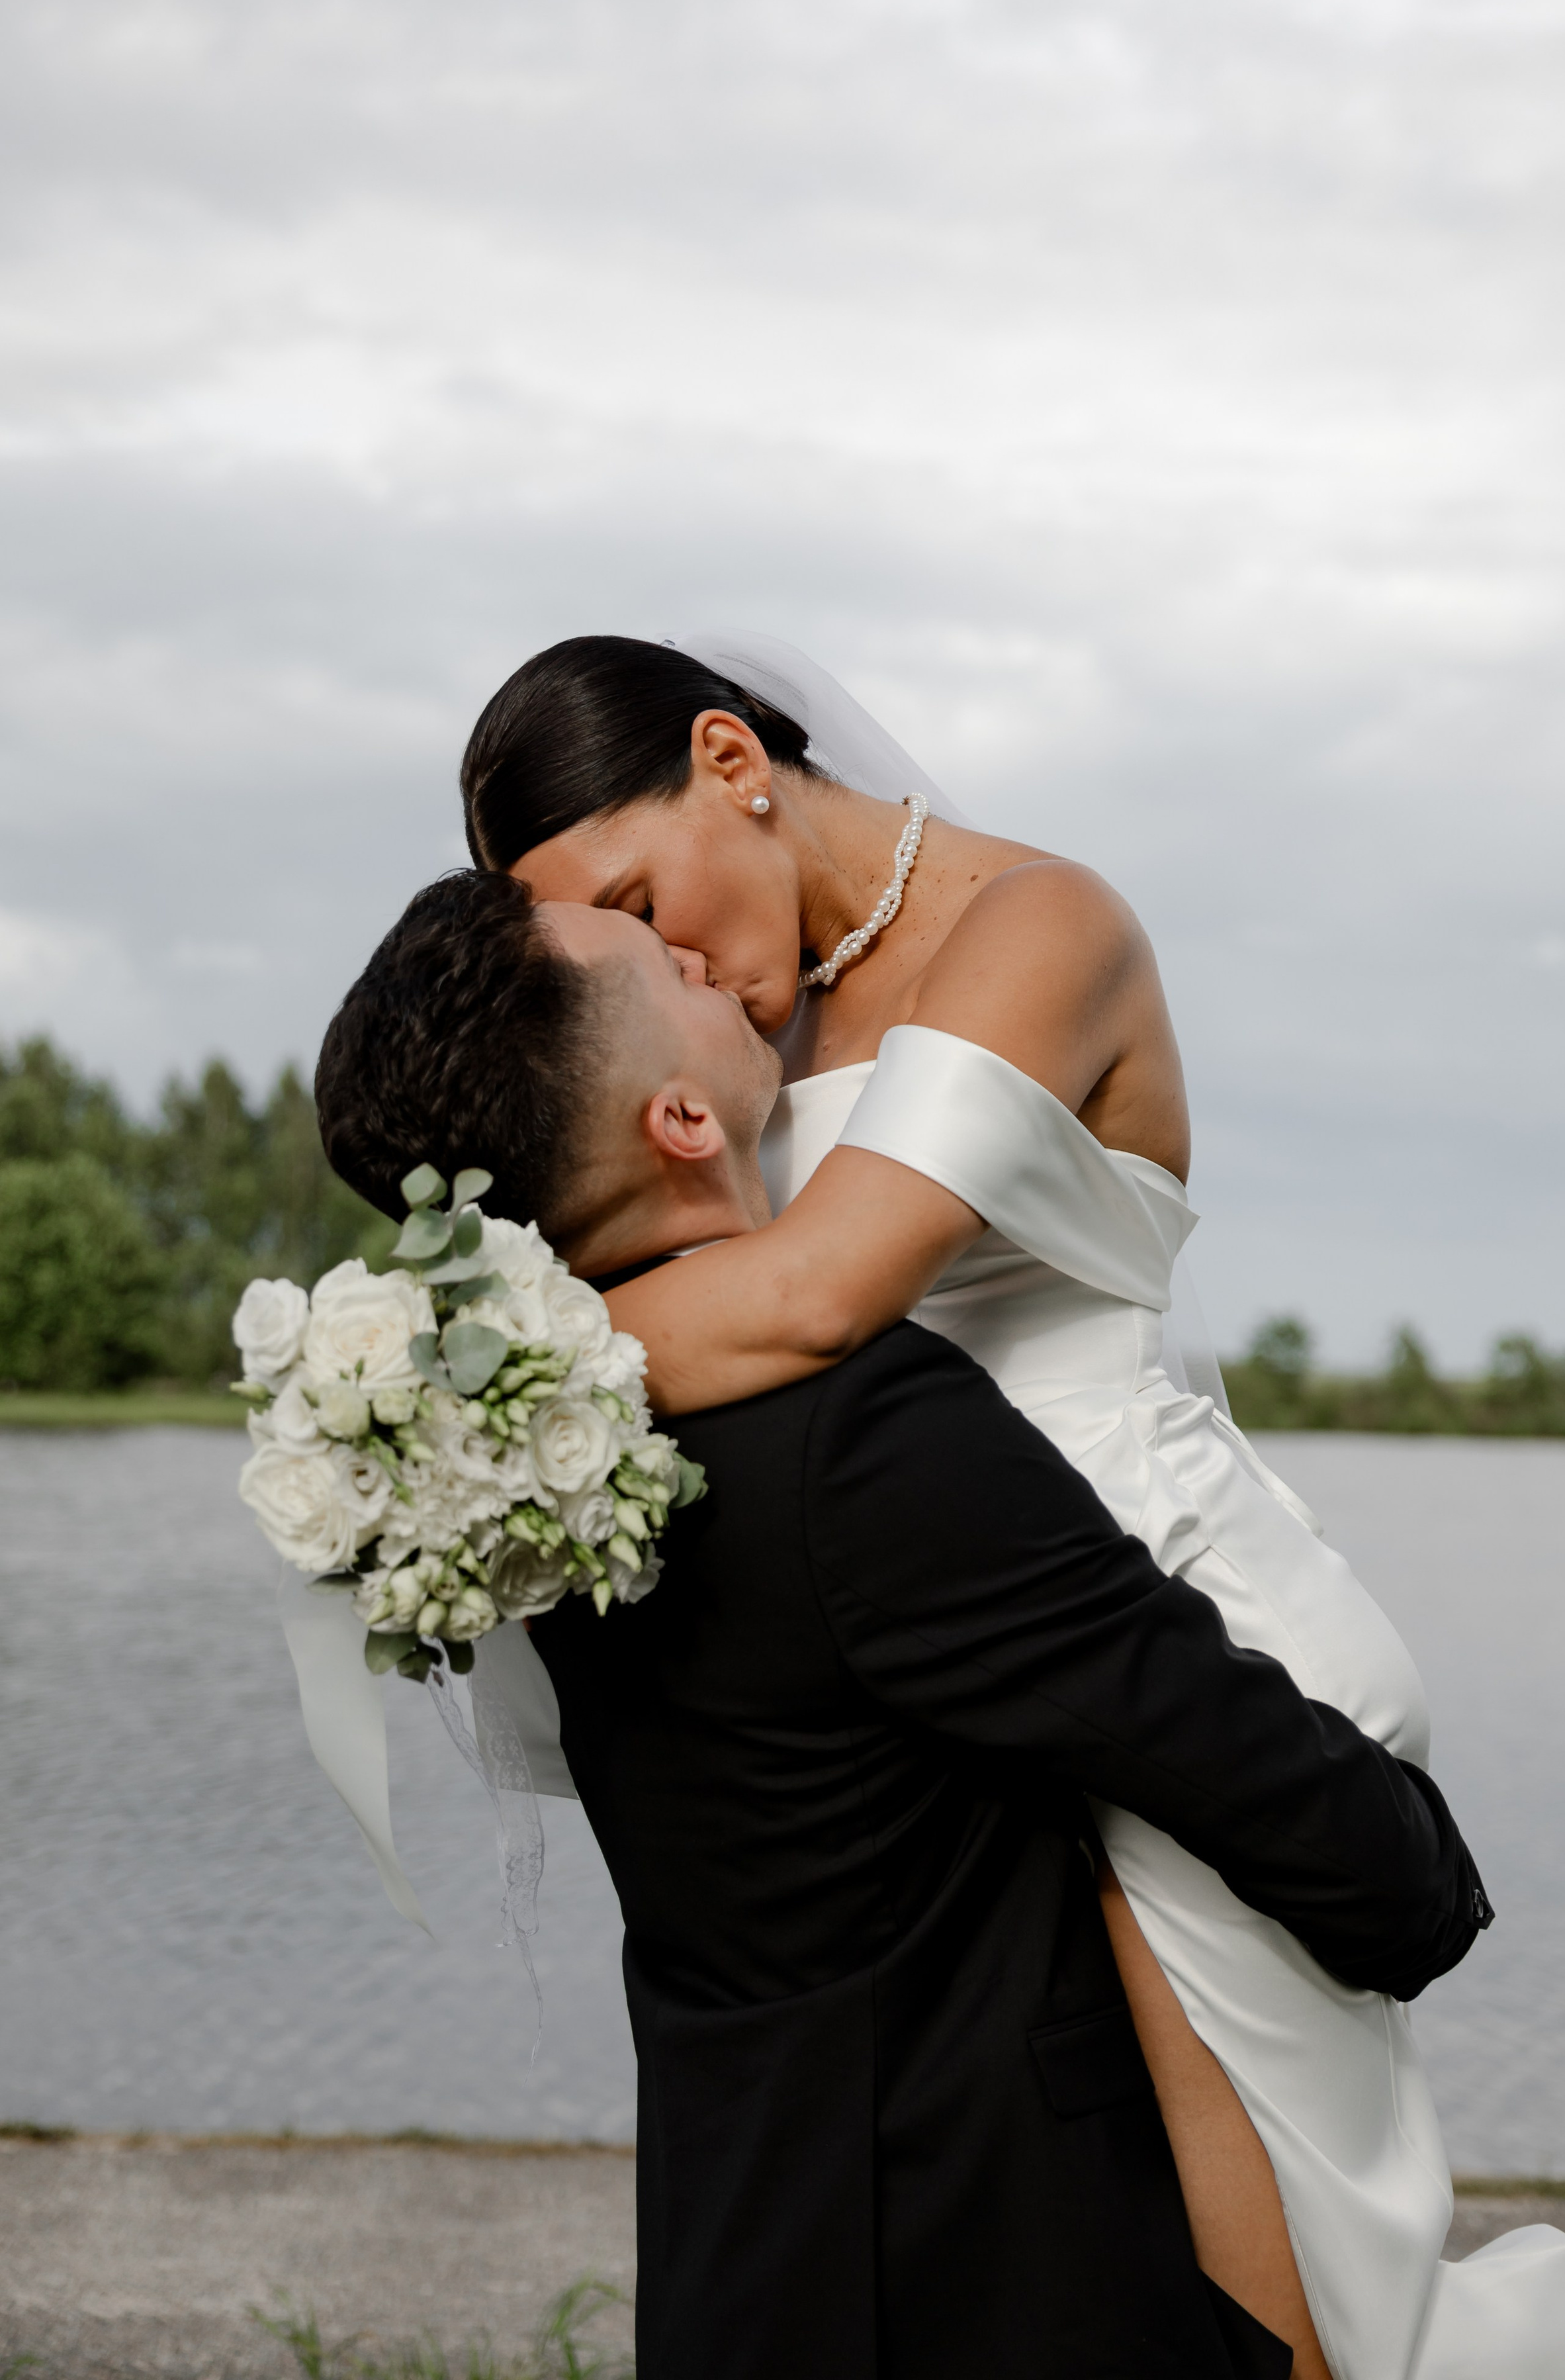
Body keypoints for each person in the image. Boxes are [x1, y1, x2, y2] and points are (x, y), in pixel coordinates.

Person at [453, 631, 1565, 2380]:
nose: (668, 964)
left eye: (642, 903)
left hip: (1166, 1639)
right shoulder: (726, 1028)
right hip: (952, 1705)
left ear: (731, 761)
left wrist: (467, 1388)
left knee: (1316, 2322)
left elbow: (818, 1295)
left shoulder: (1040, 927)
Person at [314, 866, 1489, 2380]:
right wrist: (1421, 1870)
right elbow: (1219, 1747)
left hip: (739, 2259)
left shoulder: (523, 1477)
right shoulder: (850, 1435)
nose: (697, 956)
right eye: (658, 962)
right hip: (986, 2279)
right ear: (681, 1120)